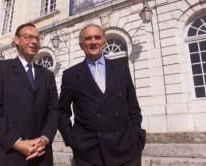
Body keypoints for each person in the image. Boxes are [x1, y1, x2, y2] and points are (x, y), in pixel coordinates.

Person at [58, 24, 146, 166]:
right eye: (88, 38)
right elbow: (62, 111)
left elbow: (132, 105)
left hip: (126, 149)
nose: (93, 42)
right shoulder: (71, 75)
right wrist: (72, 139)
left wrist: (137, 135)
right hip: (89, 153)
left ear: (104, 43)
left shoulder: (121, 68)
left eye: (97, 37)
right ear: (81, 45)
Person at [0, 23, 58, 166]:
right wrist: (17, 142)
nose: (34, 41)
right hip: (7, 153)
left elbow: (54, 110)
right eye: (28, 37)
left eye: (37, 38)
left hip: (40, 154)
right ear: (17, 40)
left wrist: (45, 138)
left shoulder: (47, 75)